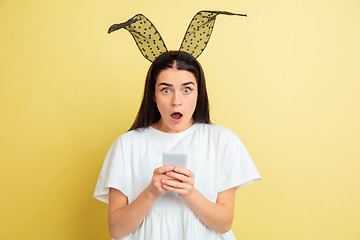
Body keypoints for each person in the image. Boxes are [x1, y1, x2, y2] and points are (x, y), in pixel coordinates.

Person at [93, 50, 262, 240]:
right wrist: (151, 192)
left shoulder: (222, 140)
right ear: (153, 95)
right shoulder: (127, 145)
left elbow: (224, 224)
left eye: (187, 89)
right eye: (166, 90)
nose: (176, 101)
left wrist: (190, 193)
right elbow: (116, 230)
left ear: (199, 93)